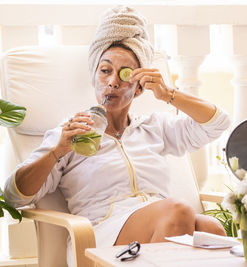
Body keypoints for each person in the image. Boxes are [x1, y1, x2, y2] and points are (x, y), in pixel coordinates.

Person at [4, 5, 231, 265]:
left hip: (162, 225)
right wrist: (57, 151)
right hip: (102, 234)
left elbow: (218, 122)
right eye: (105, 70)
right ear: (94, 77)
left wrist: (168, 94)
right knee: (178, 210)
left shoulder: (154, 128)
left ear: (138, 88)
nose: (112, 81)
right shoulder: (71, 133)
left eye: (124, 74)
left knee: (211, 229)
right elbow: (14, 195)